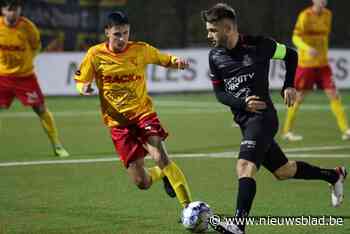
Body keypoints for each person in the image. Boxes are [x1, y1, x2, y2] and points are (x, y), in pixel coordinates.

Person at [201, 3, 347, 234]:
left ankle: (238, 226)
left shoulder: (260, 45)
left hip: (263, 118)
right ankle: (334, 175)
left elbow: (291, 55)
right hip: (245, 121)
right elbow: (220, 94)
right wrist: (241, 103)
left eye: (212, 30)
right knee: (283, 171)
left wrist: (289, 84)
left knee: (244, 166)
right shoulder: (214, 57)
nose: (208, 35)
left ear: (228, 28)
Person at [74, 11, 192, 210]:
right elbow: (81, 79)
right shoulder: (95, 54)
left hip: (142, 114)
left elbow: (163, 58)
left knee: (159, 155)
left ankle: (189, 207)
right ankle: (161, 173)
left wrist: (176, 62)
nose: (122, 39)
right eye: (117, 34)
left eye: (126, 33)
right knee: (142, 182)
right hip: (118, 124)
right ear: (107, 33)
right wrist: (83, 87)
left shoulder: (140, 50)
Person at [0, 0, 69, 157]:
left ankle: (57, 145)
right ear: (3, 10)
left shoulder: (28, 27)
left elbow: (36, 46)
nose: (13, 12)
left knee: (40, 109)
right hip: (2, 77)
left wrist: (25, 62)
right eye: (10, 9)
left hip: (25, 77)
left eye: (16, 9)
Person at [282, 0, 350, 141]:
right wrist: (307, 48)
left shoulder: (328, 15)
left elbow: (322, 39)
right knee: (298, 98)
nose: (323, 1)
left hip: (323, 65)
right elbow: (295, 37)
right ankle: (287, 131)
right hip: (306, 64)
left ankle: (346, 130)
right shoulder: (305, 15)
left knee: (334, 94)